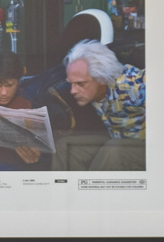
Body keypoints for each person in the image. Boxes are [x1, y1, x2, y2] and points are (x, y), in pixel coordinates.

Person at [52, 39, 146, 171]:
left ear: (102, 78)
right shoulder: (95, 91)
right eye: (71, 83)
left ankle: (90, 191)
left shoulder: (131, 85)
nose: (73, 91)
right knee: (65, 147)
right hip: (117, 137)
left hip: (147, 149)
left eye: (80, 84)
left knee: (114, 150)